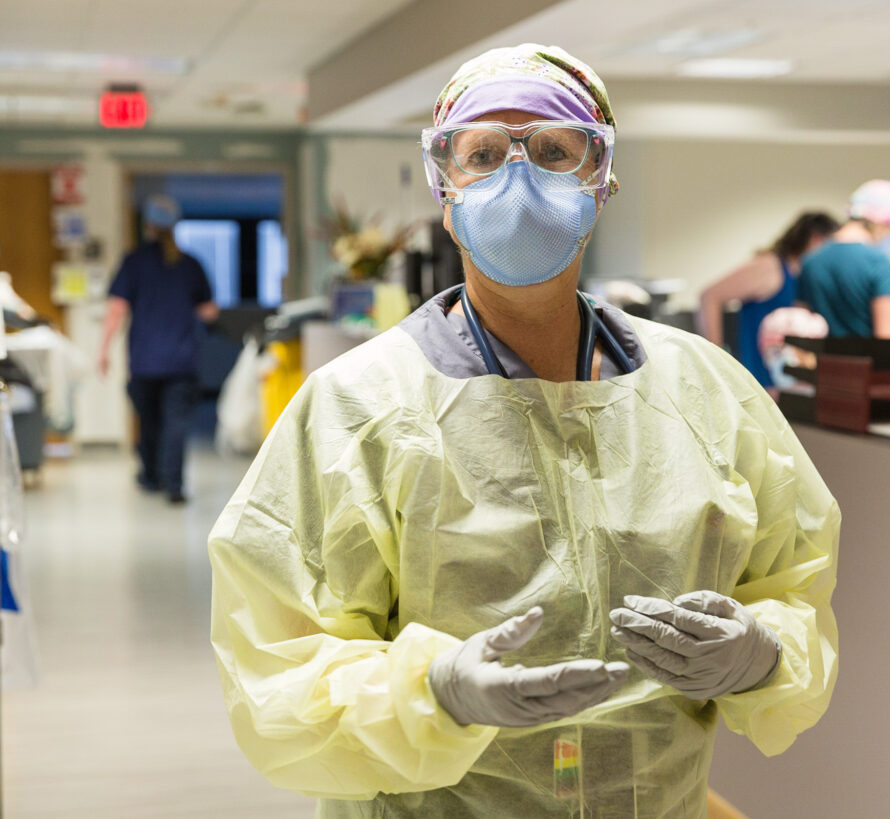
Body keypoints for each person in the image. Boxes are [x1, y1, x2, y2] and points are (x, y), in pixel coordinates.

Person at [208, 44, 839, 818]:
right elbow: (277, 669)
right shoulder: (359, 406)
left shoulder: (706, 392)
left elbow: (795, 583)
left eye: (551, 151)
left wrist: (762, 654)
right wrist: (434, 694)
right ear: (445, 188)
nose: (519, 177)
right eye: (483, 153)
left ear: (600, 179)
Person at [99, 195, 218, 503]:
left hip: (144, 360)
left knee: (149, 422)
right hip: (181, 360)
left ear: (148, 225)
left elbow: (116, 310)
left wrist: (103, 351)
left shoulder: (134, 262)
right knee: (175, 424)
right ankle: (174, 485)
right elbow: (209, 312)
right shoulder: (190, 265)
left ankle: (151, 477)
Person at [698, 212, 839, 387]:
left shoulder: (806, 275)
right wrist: (716, 364)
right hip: (761, 381)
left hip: (791, 387)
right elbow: (710, 297)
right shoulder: (770, 267)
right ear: (815, 239)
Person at [796, 179, 890, 338]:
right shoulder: (879, 263)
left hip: (822, 362)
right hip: (867, 362)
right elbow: (887, 338)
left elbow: (801, 328)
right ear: (882, 224)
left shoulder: (811, 260)